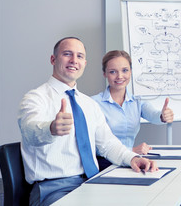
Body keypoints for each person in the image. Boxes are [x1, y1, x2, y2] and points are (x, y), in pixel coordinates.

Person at [18, 37, 158, 206]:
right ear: (53, 59)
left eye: (79, 56)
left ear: (84, 63)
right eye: (67, 54)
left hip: (93, 183)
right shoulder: (35, 98)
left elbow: (108, 144)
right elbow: (30, 131)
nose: (73, 61)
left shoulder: (89, 104)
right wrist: (51, 129)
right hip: (54, 189)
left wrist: (133, 158)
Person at [92, 50, 174, 170]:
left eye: (125, 70)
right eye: (113, 72)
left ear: (130, 71)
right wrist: (131, 151)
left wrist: (163, 116)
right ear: (105, 74)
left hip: (130, 161)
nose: (120, 76)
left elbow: (153, 115)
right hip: (104, 164)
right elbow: (94, 144)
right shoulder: (93, 103)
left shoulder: (137, 101)